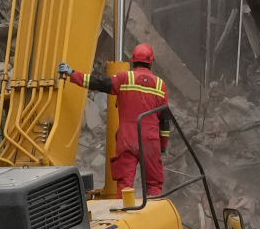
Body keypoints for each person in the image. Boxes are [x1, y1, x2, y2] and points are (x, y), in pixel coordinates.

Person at [58, 41, 174, 206]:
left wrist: (72, 73)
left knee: (125, 184)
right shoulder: (160, 85)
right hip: (150, 141)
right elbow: (165, 122)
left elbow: (98, 83)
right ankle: (155, 216)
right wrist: (162, 147)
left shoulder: (125, 78)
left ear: (133, 60)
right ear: (151, 62)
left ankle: (124, 216)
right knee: (154, 184)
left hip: (127, 139)